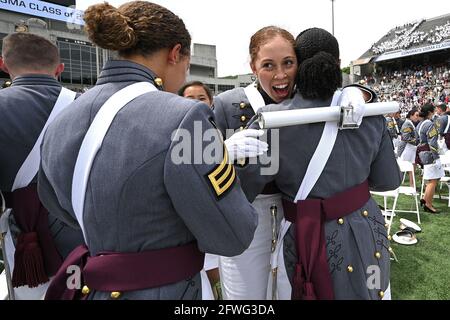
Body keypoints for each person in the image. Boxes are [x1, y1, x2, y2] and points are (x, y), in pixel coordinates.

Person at [38, 1, 259, 300]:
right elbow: (234, 234)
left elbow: (58, 205)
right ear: (174, 53)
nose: (184, 74)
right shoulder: (185, 116)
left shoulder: (63, 118)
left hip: (90, 289)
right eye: (187, 65)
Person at [239, 27, 401, 300]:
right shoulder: (370, 112)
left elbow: (244, 189)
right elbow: (388, 181)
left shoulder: (273, 121)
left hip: (307, 238)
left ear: (298, 65)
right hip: (366, 230)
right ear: (337, 64)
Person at [213, 26, 297, 300]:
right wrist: (222, 152)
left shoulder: (306, 101)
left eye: (288, 63)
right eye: (268, 65)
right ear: (253, 67)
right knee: (244, 296)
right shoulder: (227, 103)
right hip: (244, 214)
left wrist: (358, 90)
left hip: (294, 215)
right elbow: (199, 166)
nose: (281, 75)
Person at [0, 32, 84, 299]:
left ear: (3, 64)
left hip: (20, 242)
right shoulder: (90, 105)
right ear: (60, 69)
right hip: (86, 240)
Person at [178, 80, 221, 299]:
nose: (195, 104)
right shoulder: (173, 134)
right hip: (189, 220)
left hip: (217, 213)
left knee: (217, 272)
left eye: (201, 98)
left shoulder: (223, 131)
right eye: (189, 99)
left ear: (211, 103)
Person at [416, 103, 443, 214]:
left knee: (431, 179)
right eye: (433, 111)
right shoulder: (429, 124)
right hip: (429, 154)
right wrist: (436, 157)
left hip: (423, 152)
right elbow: (432, 142)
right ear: (430, 113)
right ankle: (428, 204)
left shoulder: (419, 124)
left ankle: (425, 199)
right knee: (433, 180)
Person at [397, 108, 420, 187]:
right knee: (402, 167)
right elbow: (406, 137)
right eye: (416, 115)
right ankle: (396, 185)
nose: (417, 117)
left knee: (412, 167)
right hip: (406, 148)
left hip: (410, 148)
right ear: (411, 115)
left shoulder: (410, 123)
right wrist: (417, 141)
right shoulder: (407, 124)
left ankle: (412, 185)